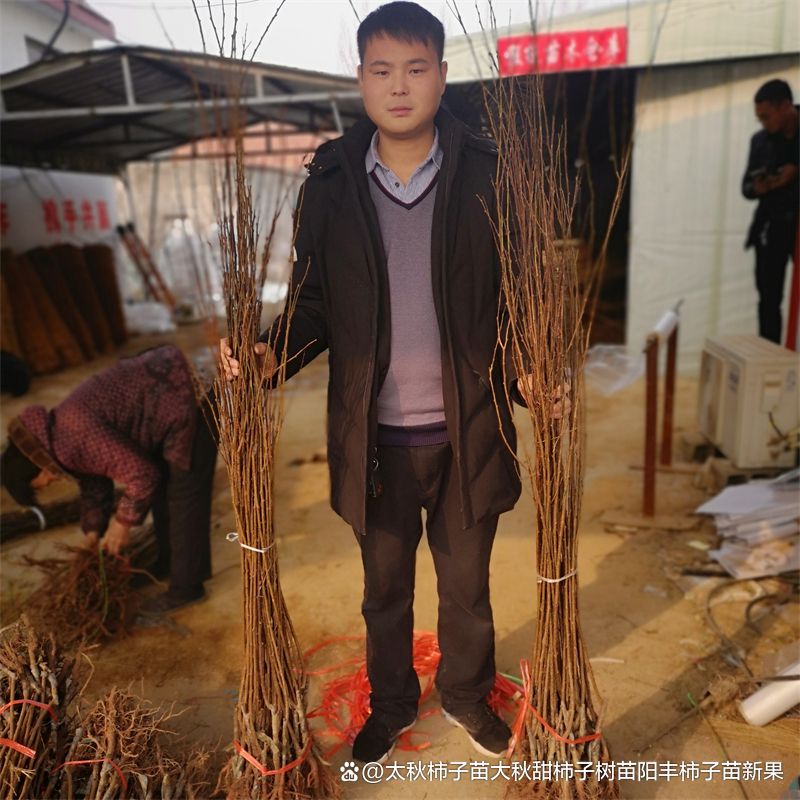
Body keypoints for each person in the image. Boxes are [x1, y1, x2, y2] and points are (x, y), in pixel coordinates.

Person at [221, 1, 567, 764]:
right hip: (373, 441)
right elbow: (312, 302)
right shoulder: (333, 182)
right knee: (384, 594)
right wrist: (268, 353)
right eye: (383, 70)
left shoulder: (487, 175)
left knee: (467, 591)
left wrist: (530, 375)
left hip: (469, 431)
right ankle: (391, 704)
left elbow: (513, 302)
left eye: (416, 69)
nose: (400, 86)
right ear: (360, 80)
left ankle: (471, 699)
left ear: (442, 77)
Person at [0, 344, 217, 615]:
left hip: (184, 399)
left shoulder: (73, 433)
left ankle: (188, 588)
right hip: (163, 401)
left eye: (39, 483)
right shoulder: (56, 437)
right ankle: (168, 562)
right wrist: (92, 533)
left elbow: (142, 475)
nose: (47, 485)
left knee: (184, 497)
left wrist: (122, 524)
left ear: (35, 465)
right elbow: (94, 480)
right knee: (163, 491)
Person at [742, 78, 799, 344]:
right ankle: (770, 361)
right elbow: (746, 186)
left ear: (786, 106)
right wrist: (760, 187)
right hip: (771, 226)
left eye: (766, 116)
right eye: (759, 118)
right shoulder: (760, 141)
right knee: (768, 299)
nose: (763, 123)